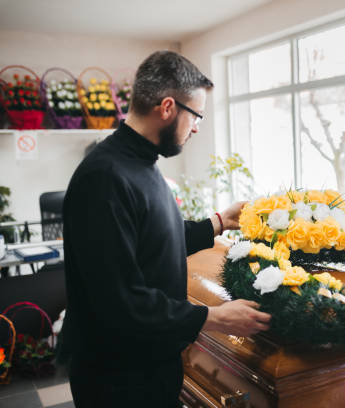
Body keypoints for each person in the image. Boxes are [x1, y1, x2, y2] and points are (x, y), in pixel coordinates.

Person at [60, 51, 271, 408]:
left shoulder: (142, 163)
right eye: (197, 115)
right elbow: (119, 300)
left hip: (150, 364)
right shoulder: (104, 178)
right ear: (168, 107)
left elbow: (156, 241)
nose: (197, 126)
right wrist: (214, 317)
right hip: (116, 377)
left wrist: (220, 222)